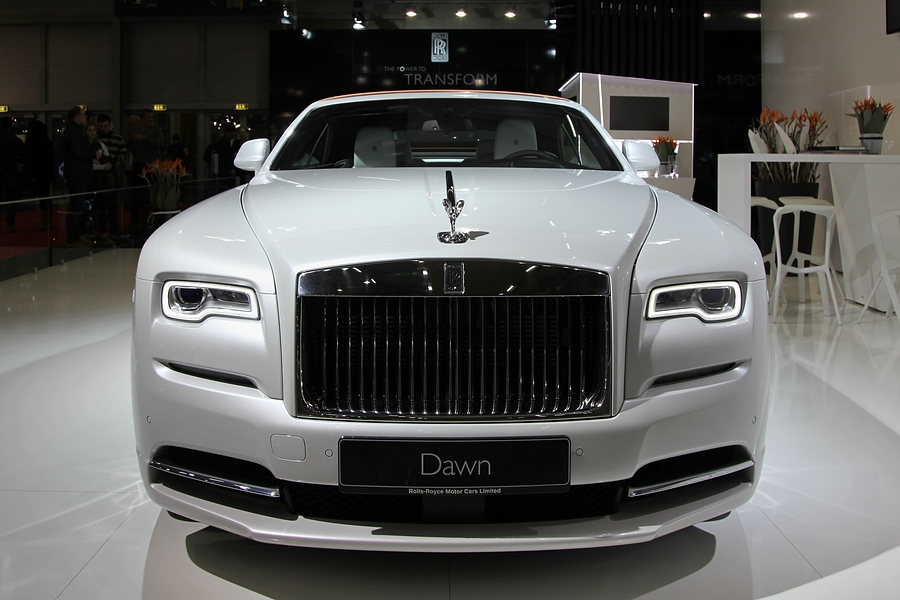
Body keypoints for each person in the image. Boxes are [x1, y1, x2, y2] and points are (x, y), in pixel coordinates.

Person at [127, 109, 164, 234]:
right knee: (137, 194)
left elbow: (161, 144)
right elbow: (128, 145)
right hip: (139, 164)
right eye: (148, 117)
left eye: (151, 117)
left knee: (152, 194)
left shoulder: (156, 130)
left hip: (153, 166)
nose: (150, 120)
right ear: (142, 118)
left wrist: (145, 138)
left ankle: (151, 219)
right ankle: (136, 220)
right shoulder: (134, 131)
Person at [61, 106, 93, 244]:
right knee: (76, 204)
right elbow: (78, 152)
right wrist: (92, 155)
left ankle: (75, 235)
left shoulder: (74, 131)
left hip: (78, 172)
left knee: (78, 204)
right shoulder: (73, 132)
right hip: (77, 173)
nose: (85, 117)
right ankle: (72, 237)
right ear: (76, 116)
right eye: (83, 115)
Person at [97, 114, 128, 237]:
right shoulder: (96, 139)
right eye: (101, 126)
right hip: (99, 174)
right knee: (100, 205)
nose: (103, 129)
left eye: (105, 126)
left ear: (110, 125)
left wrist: (113, 159)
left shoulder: (117, 138)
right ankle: (102, 229)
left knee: (113, 204)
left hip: (112, 173)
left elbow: (124, 155)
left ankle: (114, 227)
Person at [85, 122, 114, 243]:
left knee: (102, 208)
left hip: (100, 181)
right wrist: (99, 166)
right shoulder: (83, 145)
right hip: (87, 181)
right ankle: (88, 232)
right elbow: (85, 165)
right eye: (89, 130)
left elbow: (108, 160)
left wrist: (100, 163)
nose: (92, 133)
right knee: (88, 209)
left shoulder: (100, 145)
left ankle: (103, 232)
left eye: (94, 130)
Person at [0, 116, 25, 233]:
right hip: (11, 171)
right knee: (11, 199)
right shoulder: (16, 141)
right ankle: (10, 223)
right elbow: (22, 158)